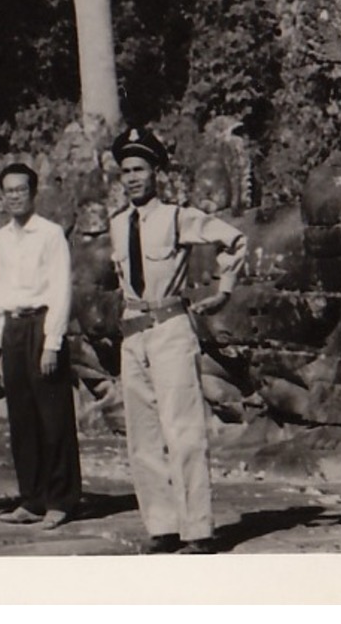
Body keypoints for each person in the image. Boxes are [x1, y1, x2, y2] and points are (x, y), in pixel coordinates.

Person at [110, 127, 247, 555]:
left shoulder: (176, 216)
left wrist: (224, 290)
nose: (132, 177)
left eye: (140, 169)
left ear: (156, 173)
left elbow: (234, 239)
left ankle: (198, 530)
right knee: (143, 437)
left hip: (170, 328)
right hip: (133, 333)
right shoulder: (117, 224)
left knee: (183, 431)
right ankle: (163, 525)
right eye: (126, 170)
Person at [0, 163, 81, 530]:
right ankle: (32, 498)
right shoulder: (1, 238)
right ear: (1, 195)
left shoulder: (50, 234)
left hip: (42, 324)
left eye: (21, 189)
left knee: (52, 415)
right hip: (13, 328)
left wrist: (53, 342)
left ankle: (61, 499)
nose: (14, 196)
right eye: (8, 190)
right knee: (21, 417)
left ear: (33, 193)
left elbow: (60, 289)